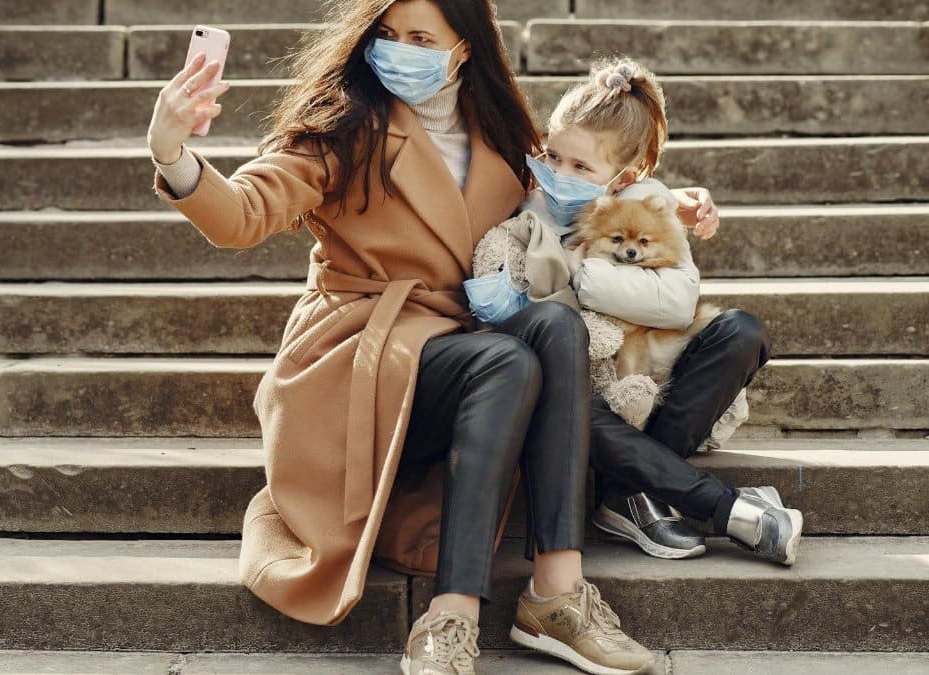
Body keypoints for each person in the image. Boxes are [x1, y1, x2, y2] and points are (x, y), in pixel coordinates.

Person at [147, 2, 715, 673]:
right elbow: (243, 214)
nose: (400, 52)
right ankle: (451, 616)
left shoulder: (501, 135)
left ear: (464, 49)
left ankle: (557, 594)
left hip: (460, 355)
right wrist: (172, 152)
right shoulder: (343, 125)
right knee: (505, 359)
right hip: (361, 360)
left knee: (554, 326)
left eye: (422, 38)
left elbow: (570, 196)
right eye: (388, 36)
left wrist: (669, 202)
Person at [505, 57, 804, 566]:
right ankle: (724, 508)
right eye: (552, 156)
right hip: (585, 399)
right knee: (561, 401)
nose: (558, 174)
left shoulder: (648, 207)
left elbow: (678, 302)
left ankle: (626, 491)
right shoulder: (523, 205)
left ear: (625, 178)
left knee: (742, 330)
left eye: (581, 167)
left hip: (652, 385)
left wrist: (580, 271)